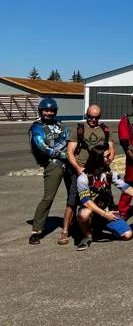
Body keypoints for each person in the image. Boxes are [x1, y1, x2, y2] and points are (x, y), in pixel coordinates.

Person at [63, 104, 114, 245]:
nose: (92, 120)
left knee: (101, 196)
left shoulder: (105, 130)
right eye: (90, 117)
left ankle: (96, 225)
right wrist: (78, 168)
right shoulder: (78, 130)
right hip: (80, 170)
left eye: (96, 117)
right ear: (86, 115)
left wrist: (108, 162)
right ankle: (65, 231)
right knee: (73, 200)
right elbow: (69, 152)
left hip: (98, 171)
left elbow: (111, 149)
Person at [75, 145, 133, 251]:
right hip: (94, 213)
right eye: (106, 156)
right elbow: (86, 202)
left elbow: (124, 186)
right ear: (98, 158)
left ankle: (100, 228)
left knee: (128, 235)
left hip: (107, 212)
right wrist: (104, 214)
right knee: (83, 214)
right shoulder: (83, 178)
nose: (110, 158)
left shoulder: (109, 173)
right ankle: (87, 235)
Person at [28, 98, 71, 245]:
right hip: (53, 165)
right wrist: (63, 154)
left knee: (73, 196)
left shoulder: (60, 125)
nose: (49, 112)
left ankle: (70, 224)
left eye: (52, 110)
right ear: (40, 111)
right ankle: (36, 231)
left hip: (69, 163)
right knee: (48, 197)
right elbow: (42, 147)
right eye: (46, 110)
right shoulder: (36, 127)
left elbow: (68, 138)